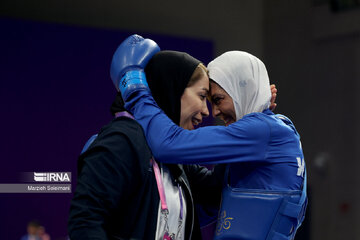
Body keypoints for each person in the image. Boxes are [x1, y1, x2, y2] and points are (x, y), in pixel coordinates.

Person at [112, 35, 307, 240]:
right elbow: (208, 206)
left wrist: (134, 88)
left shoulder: (264, 131)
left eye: (217, 99)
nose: (213, 112)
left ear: (242, 89)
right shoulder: (273, 132)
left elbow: (168, 144)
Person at [68, 48, 226, 239]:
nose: (206, 110)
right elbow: (85, 222)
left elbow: (218, 191)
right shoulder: (123, 139)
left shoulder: (175, 159)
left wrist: (244, 114)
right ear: (172, 89)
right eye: (202, 96)